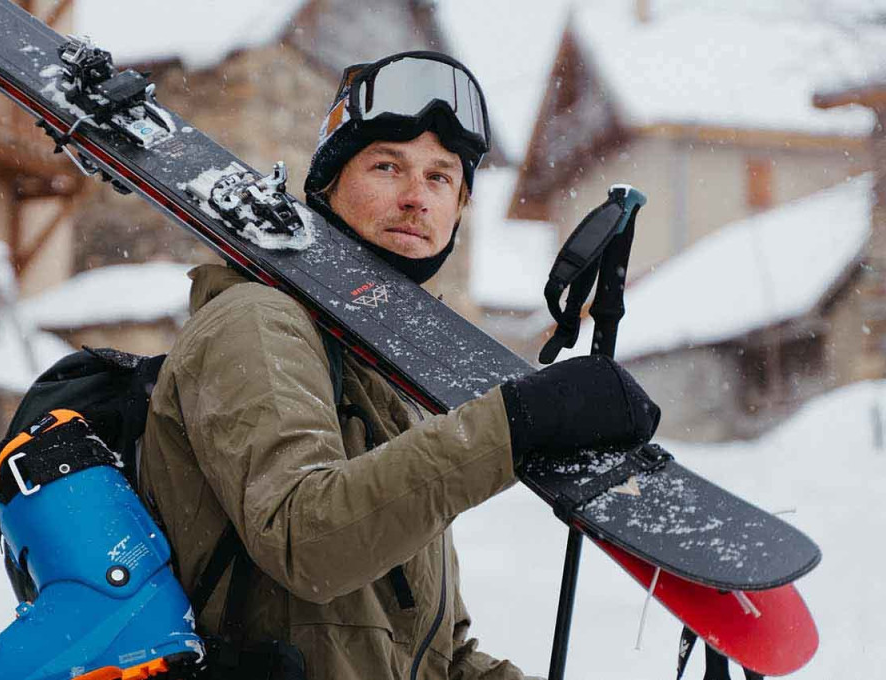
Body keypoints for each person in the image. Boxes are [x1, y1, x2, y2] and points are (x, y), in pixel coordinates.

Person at [138, 51, 662, 680]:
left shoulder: (388, 381)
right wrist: (521, 421)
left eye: (441, 178)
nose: (416, 199)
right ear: (326, 185)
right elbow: (306, 540)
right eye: (387, 167)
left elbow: (437, 657)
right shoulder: (256, 320)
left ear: (459, 208)